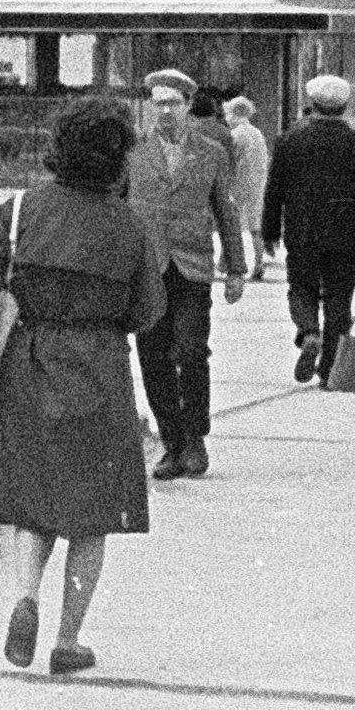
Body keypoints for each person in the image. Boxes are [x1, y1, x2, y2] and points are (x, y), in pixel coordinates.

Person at [0, 98, 163, 677]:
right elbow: (147, 311)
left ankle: (26, 597)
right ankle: (67, 641)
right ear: (118, 157)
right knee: (92, 515)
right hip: (98, 368)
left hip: (29, 362)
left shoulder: (22, 209)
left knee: (34, 499)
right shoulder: (131, 226)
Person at [128, 68, 249, 481]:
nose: (164, 111)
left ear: (187, 106)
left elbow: (226, 211)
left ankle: (195, 438)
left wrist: (235, 268)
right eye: (157, 103)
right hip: (147, 271)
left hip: (192, 268)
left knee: (192, 351)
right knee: (153, 355)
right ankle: (171, 441)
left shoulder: (211, 152)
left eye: (173, 103)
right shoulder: (134, 154)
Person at [260, 74, 355, 386]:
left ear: (311, 104)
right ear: (345, 106)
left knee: (301, 287)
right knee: (339, 298)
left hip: (303, 231)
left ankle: (308, 330)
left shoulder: (290, 142)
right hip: (347, 234)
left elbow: (274, 189)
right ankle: (329, 368)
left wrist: (270, 230)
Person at [221, 94, 272, 280]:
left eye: (228, 114)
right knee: (255, 226)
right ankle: (259, 262)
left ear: (235, 113)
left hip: (238, 185)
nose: (227, 118)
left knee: (231, 224)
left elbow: (228, 162)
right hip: (257, 184)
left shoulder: (235, 135)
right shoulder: (258, 134)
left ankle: (226, 262)